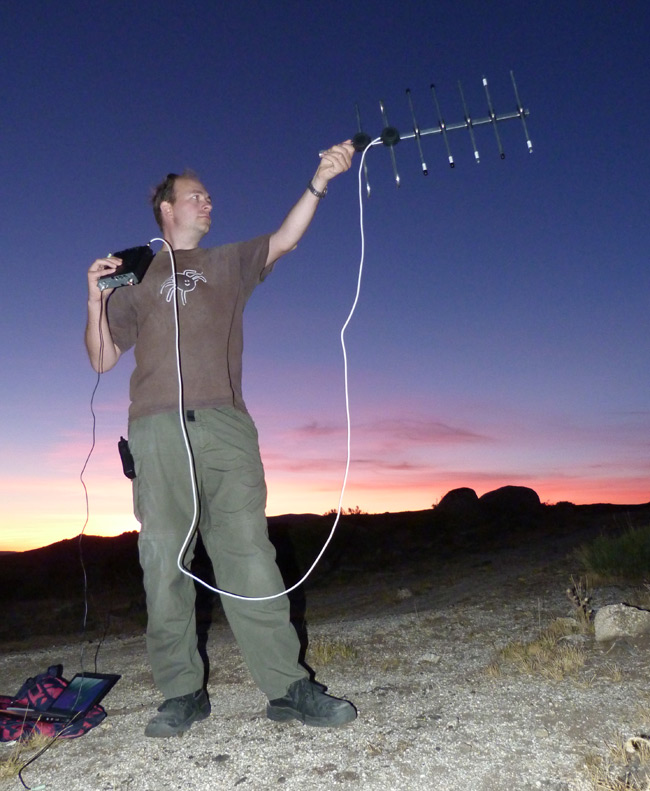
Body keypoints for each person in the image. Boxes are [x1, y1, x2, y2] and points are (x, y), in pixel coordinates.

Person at [85, 141, 356, 737]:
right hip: (156, 430)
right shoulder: (138, 277)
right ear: (165, 209)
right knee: (164, 563)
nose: (209, 203)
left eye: (209, 197)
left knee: (249, 556)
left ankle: (288, 687)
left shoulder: (231, 263)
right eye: (196, 196)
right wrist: (93, 297)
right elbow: (102, 358)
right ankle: (182, 693)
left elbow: (284, 238)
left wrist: (320, 178)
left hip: (225, 426)